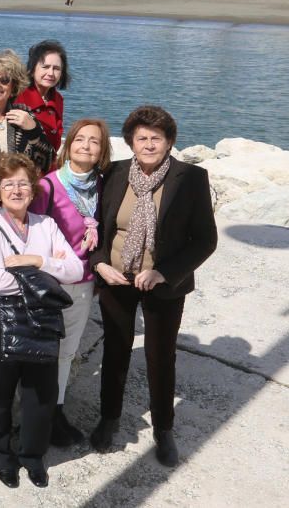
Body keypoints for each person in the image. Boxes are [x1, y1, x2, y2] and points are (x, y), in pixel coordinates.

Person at [88, 106, 217, 468]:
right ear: (130, 141)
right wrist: (99, 263)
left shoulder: (190, 178)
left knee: (161, 358)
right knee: (116, 349)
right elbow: (96, 226)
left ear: (170, 141)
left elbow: (205, 240)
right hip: (117, 276)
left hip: (162, 282)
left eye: (155, 138)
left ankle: (164, 429)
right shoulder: (114, 174)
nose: (148, 144)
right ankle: (109, 418)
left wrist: (163, 272)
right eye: (141, 138)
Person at [0, 153, 83, 489]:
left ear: (33, 189)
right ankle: (0, 456)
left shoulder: (46, 225)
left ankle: (32, 455)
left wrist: (33, 260)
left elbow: (76, 270)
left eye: (23, 183)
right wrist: (50, 269)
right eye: (9, 184)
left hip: (41, 324)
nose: (17, 190)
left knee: (41, 395)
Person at [30, 118, 111, 447]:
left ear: (102, 150)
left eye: (94, 141)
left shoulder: (104, 185)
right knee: (45, 351)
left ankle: (55, 412)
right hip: (53, 282)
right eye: (80, 139)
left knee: (67, 352)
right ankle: (39, 414)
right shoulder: (48, 186)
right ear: (68, 143)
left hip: (85, 282)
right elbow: (32, 236)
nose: (86, 146)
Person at [15, 40, 71, 155]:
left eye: (56, 68)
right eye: (45, 67)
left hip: (47, 162)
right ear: (32, 68)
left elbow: (56, 141)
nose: (51, 73)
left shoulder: (57, 99)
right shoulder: (17, 96)